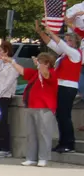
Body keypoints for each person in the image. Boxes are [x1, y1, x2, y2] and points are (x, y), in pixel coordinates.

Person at [33, 21, 80, 154]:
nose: (66, 42)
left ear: (73, 42)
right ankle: (62, 142)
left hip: (68, 87)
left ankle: (69, 143)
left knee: (64, 115)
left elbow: (61, 44)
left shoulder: (75, 54)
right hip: (60, 86)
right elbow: (51, 43)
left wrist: (51, 32)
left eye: (68, 40)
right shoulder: (65, 54)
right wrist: (41, 32)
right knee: (60, 115)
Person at [6, 50, 58, 167]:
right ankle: (31, 157)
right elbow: (22, 71)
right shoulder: (35, 73)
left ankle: (43, 158)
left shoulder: (51, 73)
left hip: (44, 107)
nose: (37, 64)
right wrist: (12, 62)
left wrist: (40, 66)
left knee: (44, 134)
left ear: (47, 64)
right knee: (31, 134)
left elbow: (45, 74)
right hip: (31, 106)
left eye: (40, 62)